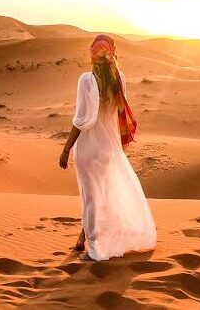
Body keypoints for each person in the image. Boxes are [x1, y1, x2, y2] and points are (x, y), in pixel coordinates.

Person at [59, 34, 157, 261]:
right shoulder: (119, 79)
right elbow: (115, 113)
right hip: (108, 148)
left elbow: (81, 120)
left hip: (88, 147)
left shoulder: (86, 80)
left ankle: (94, 249)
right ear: (112, 52)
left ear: (93, 54)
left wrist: (66, 148)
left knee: (91, 197)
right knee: (100, 195)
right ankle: (82, 239)